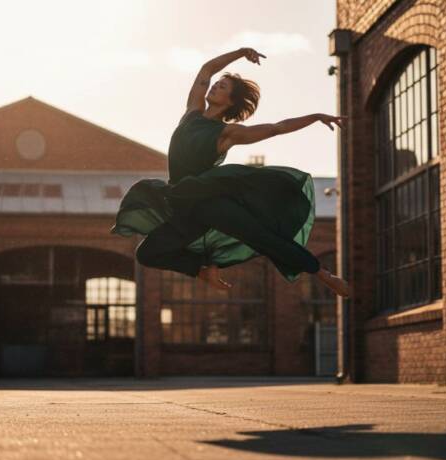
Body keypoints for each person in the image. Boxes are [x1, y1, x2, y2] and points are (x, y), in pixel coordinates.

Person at [110, 47, 349, 298]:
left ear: (231, 102)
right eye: (217, 84)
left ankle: (323, 274)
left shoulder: (227, 134)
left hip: (209, 200)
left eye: (222, 87)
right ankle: (203, 271)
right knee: (146, 253)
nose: (214, 87)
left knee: (261, 236)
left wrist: (315, 116)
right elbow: (206, 70)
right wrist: (241, 52)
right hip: (181, 203)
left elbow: (276, 128)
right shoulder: (191, 113)